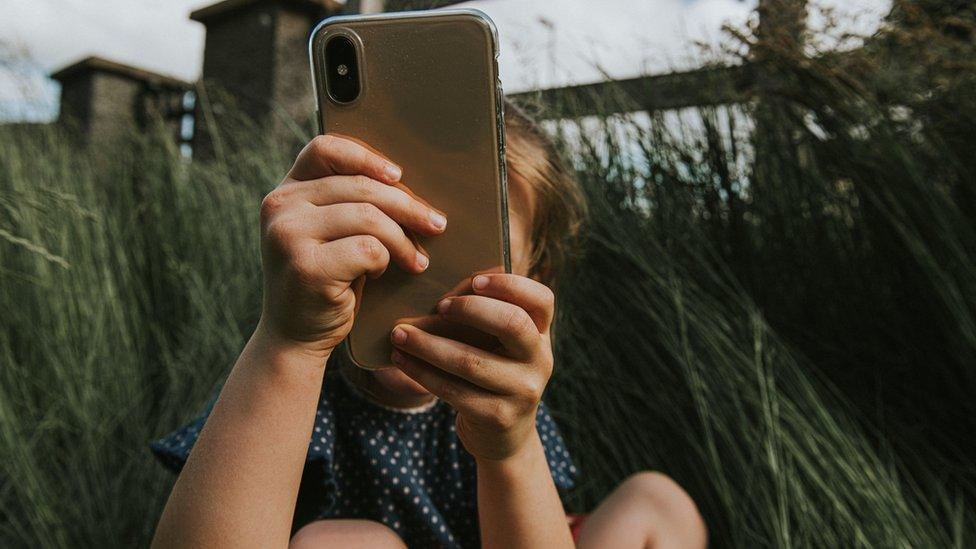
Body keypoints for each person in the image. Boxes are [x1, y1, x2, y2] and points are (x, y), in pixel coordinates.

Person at [149, 103, 707, 549]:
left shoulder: (501, 396)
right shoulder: (295, 393)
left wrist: (509, 448)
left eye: (466, 256)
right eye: (389, 239)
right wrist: (289, 342)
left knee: (657, 501)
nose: (421, 279)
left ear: (536, 279)